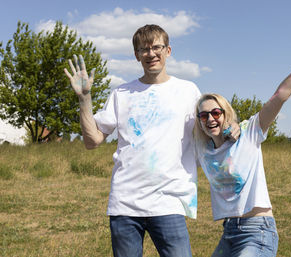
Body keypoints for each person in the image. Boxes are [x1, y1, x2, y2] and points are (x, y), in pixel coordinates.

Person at [64, 24, 239, 257]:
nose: (151, 53)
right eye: (144, 49)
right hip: (125, 203)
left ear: (168, 51)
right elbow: (92, 141)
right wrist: (85, 99)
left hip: (170, 201)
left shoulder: (188, 91)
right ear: (137, 55)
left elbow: (211, 122)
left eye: (157, 47)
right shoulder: (121, 94)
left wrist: (231, 126)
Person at [193, 17, 291, 257]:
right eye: (203, 115)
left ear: (225, 113)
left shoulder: (249, 133)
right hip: (228, 232)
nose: (210, 118)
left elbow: (280, 95)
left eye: (216, 112)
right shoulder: (202, 148)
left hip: (257, 230)